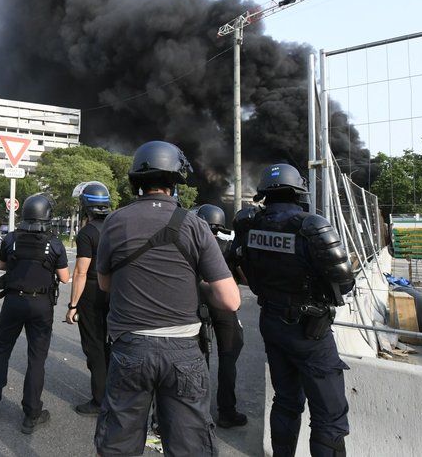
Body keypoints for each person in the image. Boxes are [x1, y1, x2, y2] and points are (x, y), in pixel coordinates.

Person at [93, 141, 242, 456]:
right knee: (190, 447)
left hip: (130, 348)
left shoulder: (114, 222)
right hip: (183, 352)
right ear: (176, 180)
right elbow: (230, 300)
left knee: (118, 445)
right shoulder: (195, 224)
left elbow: (105, 284)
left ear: (136, 180)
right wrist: (195, 287)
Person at [228, 164, 355, 457]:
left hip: (271, 322)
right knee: (330, 416)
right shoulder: (312, 226)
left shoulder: (248, 224)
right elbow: (344, 282)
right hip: (310, 331)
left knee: (285, 401)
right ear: (299, 191)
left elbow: (239, 264)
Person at [0, 193, 70, 434]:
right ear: (47, 216)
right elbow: (64, 277)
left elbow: (2, 265)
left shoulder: (11, 238)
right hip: (40, 304)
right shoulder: (55, 242)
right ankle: (31, 414)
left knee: (2, 350)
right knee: (36, 358)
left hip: (12, 301)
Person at [193, 204, 247, 429]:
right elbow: (243, 277)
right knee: (229, 355)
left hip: (197, 303)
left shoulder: (192, 242)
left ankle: (197, 410)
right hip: (224, 304)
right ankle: (227, 411)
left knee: (196, 358)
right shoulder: (229, 245)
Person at [64, 182, 112, 416]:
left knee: (95, 346)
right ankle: (116, 396)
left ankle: (99, 400)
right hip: (116, 292)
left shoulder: (87, 233)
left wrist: (73, 305)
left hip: (92, 294)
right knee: (112, 345)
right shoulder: (117, 226)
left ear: (85, 206)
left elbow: (80, 272)